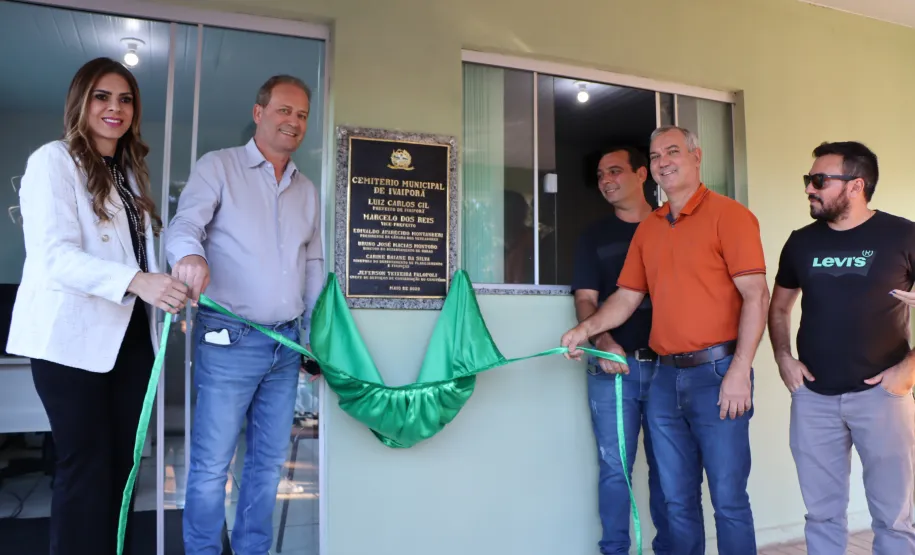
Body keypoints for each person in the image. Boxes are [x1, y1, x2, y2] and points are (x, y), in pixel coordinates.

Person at [6, 57, 188, 554]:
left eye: (125, 99)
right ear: (81, 102)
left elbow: (135, 255)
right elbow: (54, 255)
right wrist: (139, 281)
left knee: (123, 469)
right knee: (84, 469)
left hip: (129, 338)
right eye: (102, 97)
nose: (115, 108)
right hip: (71, 341)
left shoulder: (128, 173)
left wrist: (168, 285)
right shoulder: (52, 160)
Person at [560, 125, 769, 555]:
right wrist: (585, 330)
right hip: (665, 378)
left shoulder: (730, 215)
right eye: (656, 156)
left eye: (672, 152)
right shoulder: (650, 228)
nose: (663, 162)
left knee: (728, 501)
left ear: (696, 156)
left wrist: (740, 370)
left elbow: (757, 296)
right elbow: (627, 297)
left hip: (718, 374)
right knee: (676, 502)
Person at [166, 74, 324, 554]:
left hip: (285, 345)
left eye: (302, 114)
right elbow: (185, 225)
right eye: (284, 110)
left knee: (268, 465)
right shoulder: (219, 167)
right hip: (229, 339)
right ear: (259, 113)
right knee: (211, 465)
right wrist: (189, 256)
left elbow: (313, 264)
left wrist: (314, 336)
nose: (293, 121)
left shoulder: (307, 190)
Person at [768, 141, 915, 554]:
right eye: (808, 179)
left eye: (819, 180)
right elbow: (779, 307)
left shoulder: (904, 235)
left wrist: (908, 369)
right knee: (821, 516)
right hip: (814, 398)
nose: (809, 189)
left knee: (894, 517)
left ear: (856, 185)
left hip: (883, 396)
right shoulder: (801, 242)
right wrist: (783, 358)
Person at [571, 146, 670, 555]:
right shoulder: (593, 236)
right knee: (615, 470)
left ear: (642, 174)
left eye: (614, 171)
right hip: (612, 370)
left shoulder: (672, 226)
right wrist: (602, 341)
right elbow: (585, 299)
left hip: (671, 369)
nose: (606, 181)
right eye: (600, 175)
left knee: (671, 471)